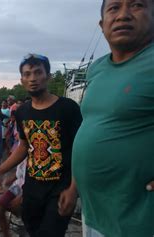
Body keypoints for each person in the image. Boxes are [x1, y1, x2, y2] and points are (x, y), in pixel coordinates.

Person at [66, 1, 154, 236]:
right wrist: (74, 187)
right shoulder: (97, 69)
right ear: (102, 24)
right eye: (114, 8)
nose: (123, 15)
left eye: (137, 5)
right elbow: (91, 128)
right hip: (95, 213)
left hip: (139, 221)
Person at [0, 54, 82, 237]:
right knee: (32, 231)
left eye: (38, 72)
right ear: (22, 80)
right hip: (32, 190)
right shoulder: (23, 112)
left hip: (60, 189)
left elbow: (82, 149)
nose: (33, 78)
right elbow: (24, 147)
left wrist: (74, 189)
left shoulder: (68, 108)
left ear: (48, 76)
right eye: (27, 74)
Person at [0, 159, 27, 237]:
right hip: (18, 184)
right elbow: (21, 167)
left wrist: (23, 197)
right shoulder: (21, 147)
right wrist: (13, 177)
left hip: (34, 187)